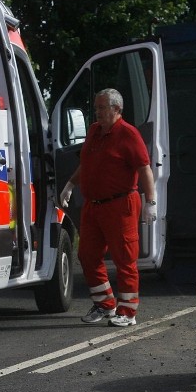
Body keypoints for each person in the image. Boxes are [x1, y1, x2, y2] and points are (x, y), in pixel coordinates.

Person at [59, 88, 157, 327]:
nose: (97, 112)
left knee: (125, 259)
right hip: (94, 206)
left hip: (120, 204)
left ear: (117, 109)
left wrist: (150, 202)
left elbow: (145, 169)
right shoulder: (94, 131)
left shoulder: (128, 134)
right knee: (87, 255)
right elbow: (87, 163)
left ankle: (128, 312)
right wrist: (70, 184)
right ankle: (105, 304)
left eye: (102, 107)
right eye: (96, 107)